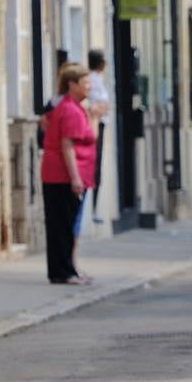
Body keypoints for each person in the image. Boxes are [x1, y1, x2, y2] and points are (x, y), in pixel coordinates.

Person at [41, 63, 96, 286]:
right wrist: (75, 178)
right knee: (63, 226)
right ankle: (63, 271)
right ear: (72, 85)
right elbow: (67, 145)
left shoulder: (69, 107)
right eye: (85, 83)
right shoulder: (71, 110)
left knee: (61, 225)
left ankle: (64, 269)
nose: (89, 88)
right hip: (63, 176)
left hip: (58, 174)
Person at [87, 50, 111, 224]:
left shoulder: (97, 80)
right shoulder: (92, 81)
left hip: (99, 123)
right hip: (95, 125)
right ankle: (91, 207)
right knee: (94, 166)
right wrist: (102, 108)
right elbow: (98, 105)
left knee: (97, 168)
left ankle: (93, 206)